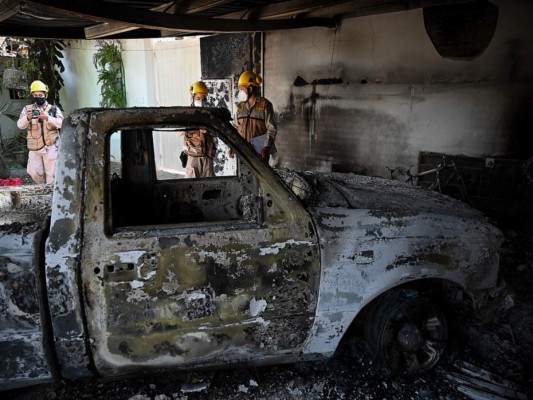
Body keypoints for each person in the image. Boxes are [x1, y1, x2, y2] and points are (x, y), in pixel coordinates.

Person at [16, 80, 63, 184]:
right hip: (34, 146)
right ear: (33, 95)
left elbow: (61, 123)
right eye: (35, 95)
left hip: (50, 146)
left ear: (45, 95)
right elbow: (20, 125)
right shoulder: (27, 109)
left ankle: (50, 193)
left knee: (52, 173)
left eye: (40, 95)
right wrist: (27, 118)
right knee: (33, 172)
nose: (38, 97)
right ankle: (42, 186)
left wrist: (48, 118)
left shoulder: (53, 109)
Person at [233, 71, 277, 163]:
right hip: (242, 152)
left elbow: (271, 129)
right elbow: (235, 128)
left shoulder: (265, 105)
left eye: (243, 89)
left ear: (251, 88)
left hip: (259, 153)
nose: (241, 91)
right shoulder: (240, 107)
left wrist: (266, 147)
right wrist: (233, 146)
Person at [179, 81, 216, 178]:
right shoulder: (186, 114)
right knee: (192, 187)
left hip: (207, 157)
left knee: (210, 186)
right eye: (198, 98)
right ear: (193, 98)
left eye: (203, 99)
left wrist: (209, 130)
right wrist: (196, 128)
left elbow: (216, 132)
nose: (201, 101)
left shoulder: (209, 114)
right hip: (193, 157)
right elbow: (179, 132)